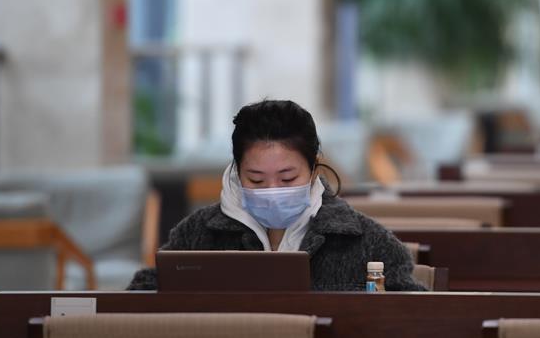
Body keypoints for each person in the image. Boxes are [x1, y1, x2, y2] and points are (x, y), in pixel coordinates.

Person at [128, 99, 425, 291]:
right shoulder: (197, 235)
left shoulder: (367, 242)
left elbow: (412, 317)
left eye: (287, 178)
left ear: (314, 170)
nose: (272, 192)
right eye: (256, 179)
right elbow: (143, 297)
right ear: (236, 172)